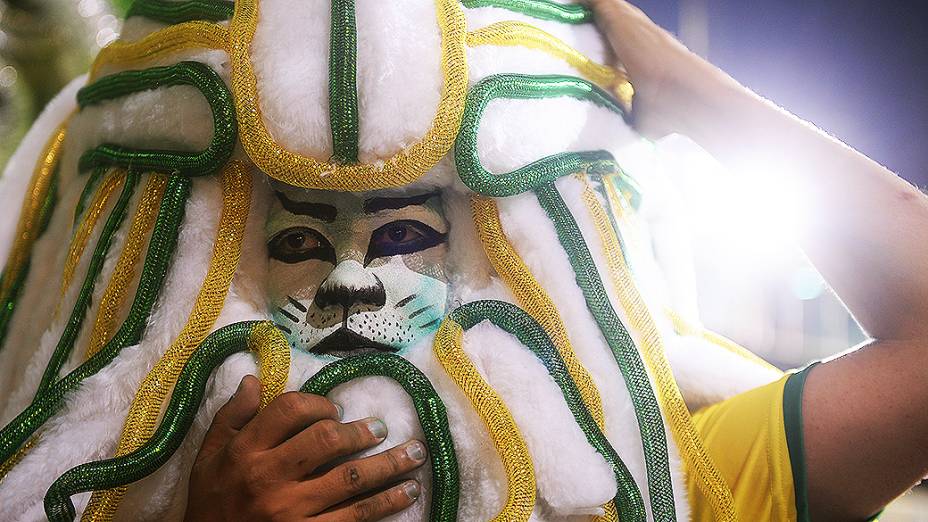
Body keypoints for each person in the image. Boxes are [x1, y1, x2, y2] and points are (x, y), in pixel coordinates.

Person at [179, 1, 928, 520]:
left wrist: (681, 89)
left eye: (404, 237)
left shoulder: (664, 481)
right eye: (300, 245)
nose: (347, 284)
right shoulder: (150, 488)